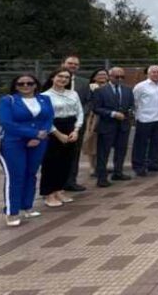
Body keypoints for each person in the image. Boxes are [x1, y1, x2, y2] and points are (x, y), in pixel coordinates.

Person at [0, 74, 53, 227]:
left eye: (29, 83)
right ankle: (12, 212)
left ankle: (27, 206)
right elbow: (7, 123)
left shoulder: (44, 99)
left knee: (31, 173)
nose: (25, 86)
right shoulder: (7, 101)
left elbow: (49, 119)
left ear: (36, 85)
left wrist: (40, 136)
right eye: (21, 84)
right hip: (13, 143)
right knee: (16, 176)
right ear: (15, 86)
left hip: (38, 142)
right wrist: (33, 134)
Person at [40, 69, 84, 207]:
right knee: (51, 163)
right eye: (60, 76)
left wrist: (76, 130)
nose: (63, 79)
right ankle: (48, 193)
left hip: (71, 128)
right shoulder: (44, 96)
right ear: (52, 77)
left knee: (66, 162)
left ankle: (59, 189)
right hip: (53, 130)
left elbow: (80, 112)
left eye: (67, 77)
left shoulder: (73, 94)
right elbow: (44, 118)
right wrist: (57, 134)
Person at [93, 67, 134, 187]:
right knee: (103, 153)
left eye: (122, 77)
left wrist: (131, 112)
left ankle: (118, 172)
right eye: (117, 77)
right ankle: (101, 177)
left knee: (121, 150)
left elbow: (131, 104)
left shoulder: (127, 90)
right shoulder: (100, 91)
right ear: (110, 77)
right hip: (107, 126)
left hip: (123, 126)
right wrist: (112, 114)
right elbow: (96, 108)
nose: (120, 79)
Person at [132, 66, 158, 176]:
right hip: (144, 119)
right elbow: (135, 102)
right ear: (148, 74)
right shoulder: (140, 86)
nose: (156, 74)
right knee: (141, 144)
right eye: (154, 72)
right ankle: (139, 166)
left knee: (156, 143)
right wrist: (137, 116)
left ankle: (153, 164)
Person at [62, 55, 90, 193]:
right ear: (63, 64)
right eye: (70, 63)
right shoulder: (53, 80)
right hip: (59, 123)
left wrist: (80, 115)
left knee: (75, 153)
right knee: (57, 153)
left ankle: (71, 181)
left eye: (75, 64)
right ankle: (56, 183)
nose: (72, 66)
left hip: (77, 124)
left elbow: (88, 101)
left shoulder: (84, 83)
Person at [81, 68, 109, 178]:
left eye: (104, 74)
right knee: (92, 142)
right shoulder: (90, 88)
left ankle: (102, 165)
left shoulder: (110, 87)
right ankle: (92, 167)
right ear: (94, 77)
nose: (102, 76)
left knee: (105, 144)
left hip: (107, 117)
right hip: (94, 118)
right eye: (99, 74)